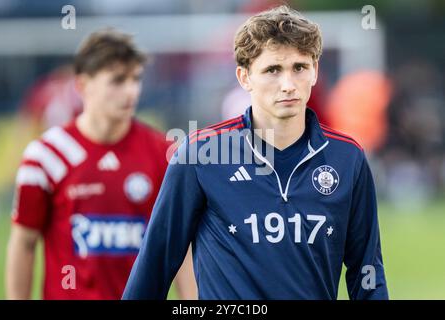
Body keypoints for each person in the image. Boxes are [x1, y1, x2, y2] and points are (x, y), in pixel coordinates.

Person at [122, 6, 388, 300]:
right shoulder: (201, 155)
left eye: (299, 68)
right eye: (273, 70)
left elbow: (367, 271)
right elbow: (155, 265)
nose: (288, 84)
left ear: (314, 70)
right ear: (244, 77)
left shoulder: (347, 158)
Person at [6, 30, 197, 300]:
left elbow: (182, 249)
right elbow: (24, 242)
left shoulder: (164, 154)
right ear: (84, 85)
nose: (131, 91)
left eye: (136, 79)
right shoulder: (47, 155)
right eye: (118, 80)